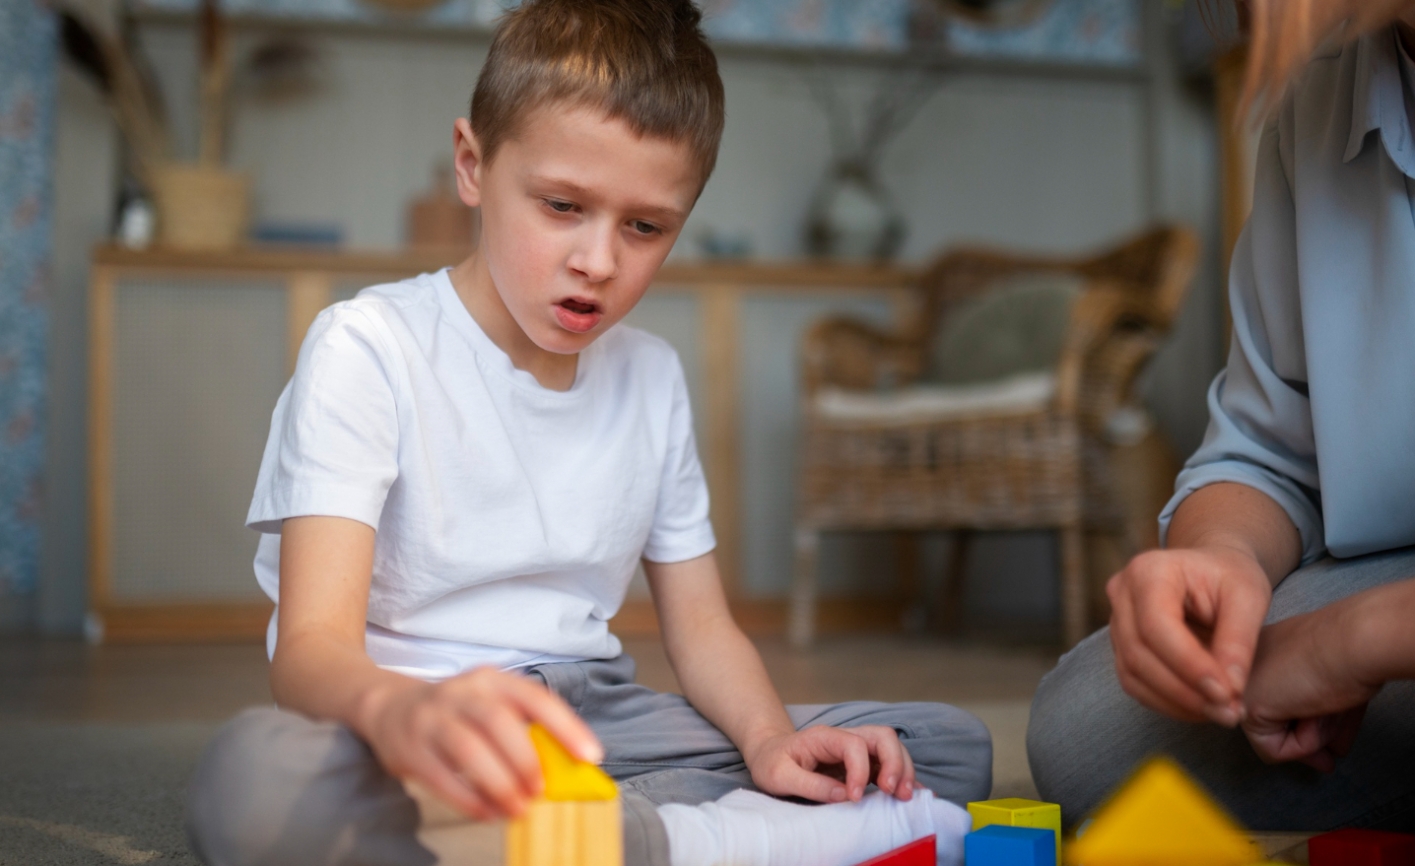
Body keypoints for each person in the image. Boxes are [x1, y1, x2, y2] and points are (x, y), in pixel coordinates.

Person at [183, 2, 992, 865]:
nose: (599, 261)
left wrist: (764, 743)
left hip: (597, 722)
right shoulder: (367, 347)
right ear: (472, 163)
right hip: (420, 718)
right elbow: (310, 652)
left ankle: (593, 835)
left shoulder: (650, 377)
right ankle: (678, 841)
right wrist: (399, 714)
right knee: (251, 784)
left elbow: (704, 628)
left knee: (941, 747)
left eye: (644, 227)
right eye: (562, 206)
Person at [1027, 0, 1415, 832]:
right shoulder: (1315, 101)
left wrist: (1355, 640)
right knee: (1091, 733)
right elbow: (1267, 452)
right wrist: (1221, 557)